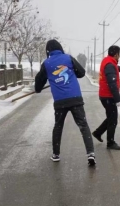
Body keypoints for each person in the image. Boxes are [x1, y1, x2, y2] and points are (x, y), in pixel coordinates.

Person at [35, 39, 96, 167]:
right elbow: (82, 73)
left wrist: (40, 86)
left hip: (60, 101)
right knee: (83, 125)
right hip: (75, 98)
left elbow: (38, 85)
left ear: (48, 51)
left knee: (58, 126)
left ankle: (56, 155)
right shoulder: (68, 58)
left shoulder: (46, 64)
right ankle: (90, 153)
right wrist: (72, 71)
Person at [92, 45, 120, 151]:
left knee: (110, 117)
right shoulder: (110, 65)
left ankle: (98, 133)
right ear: (116, 54)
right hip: (108, 96)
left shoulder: (108, 61)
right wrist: (118, 99)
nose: (119, 57)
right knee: (113, 120)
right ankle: (110, 142)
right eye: (119, 54)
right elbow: (112, 83)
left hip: (105, 95)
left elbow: (113, 69)